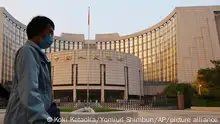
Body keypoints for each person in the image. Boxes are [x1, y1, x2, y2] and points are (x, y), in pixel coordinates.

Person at [4, 16, 60, 124]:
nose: (52, 37)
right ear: (40, 31)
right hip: (24, 119)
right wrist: (43, 119)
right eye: (50, 32)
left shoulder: (37, 54)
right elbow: (29, 92)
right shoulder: (28, 52)